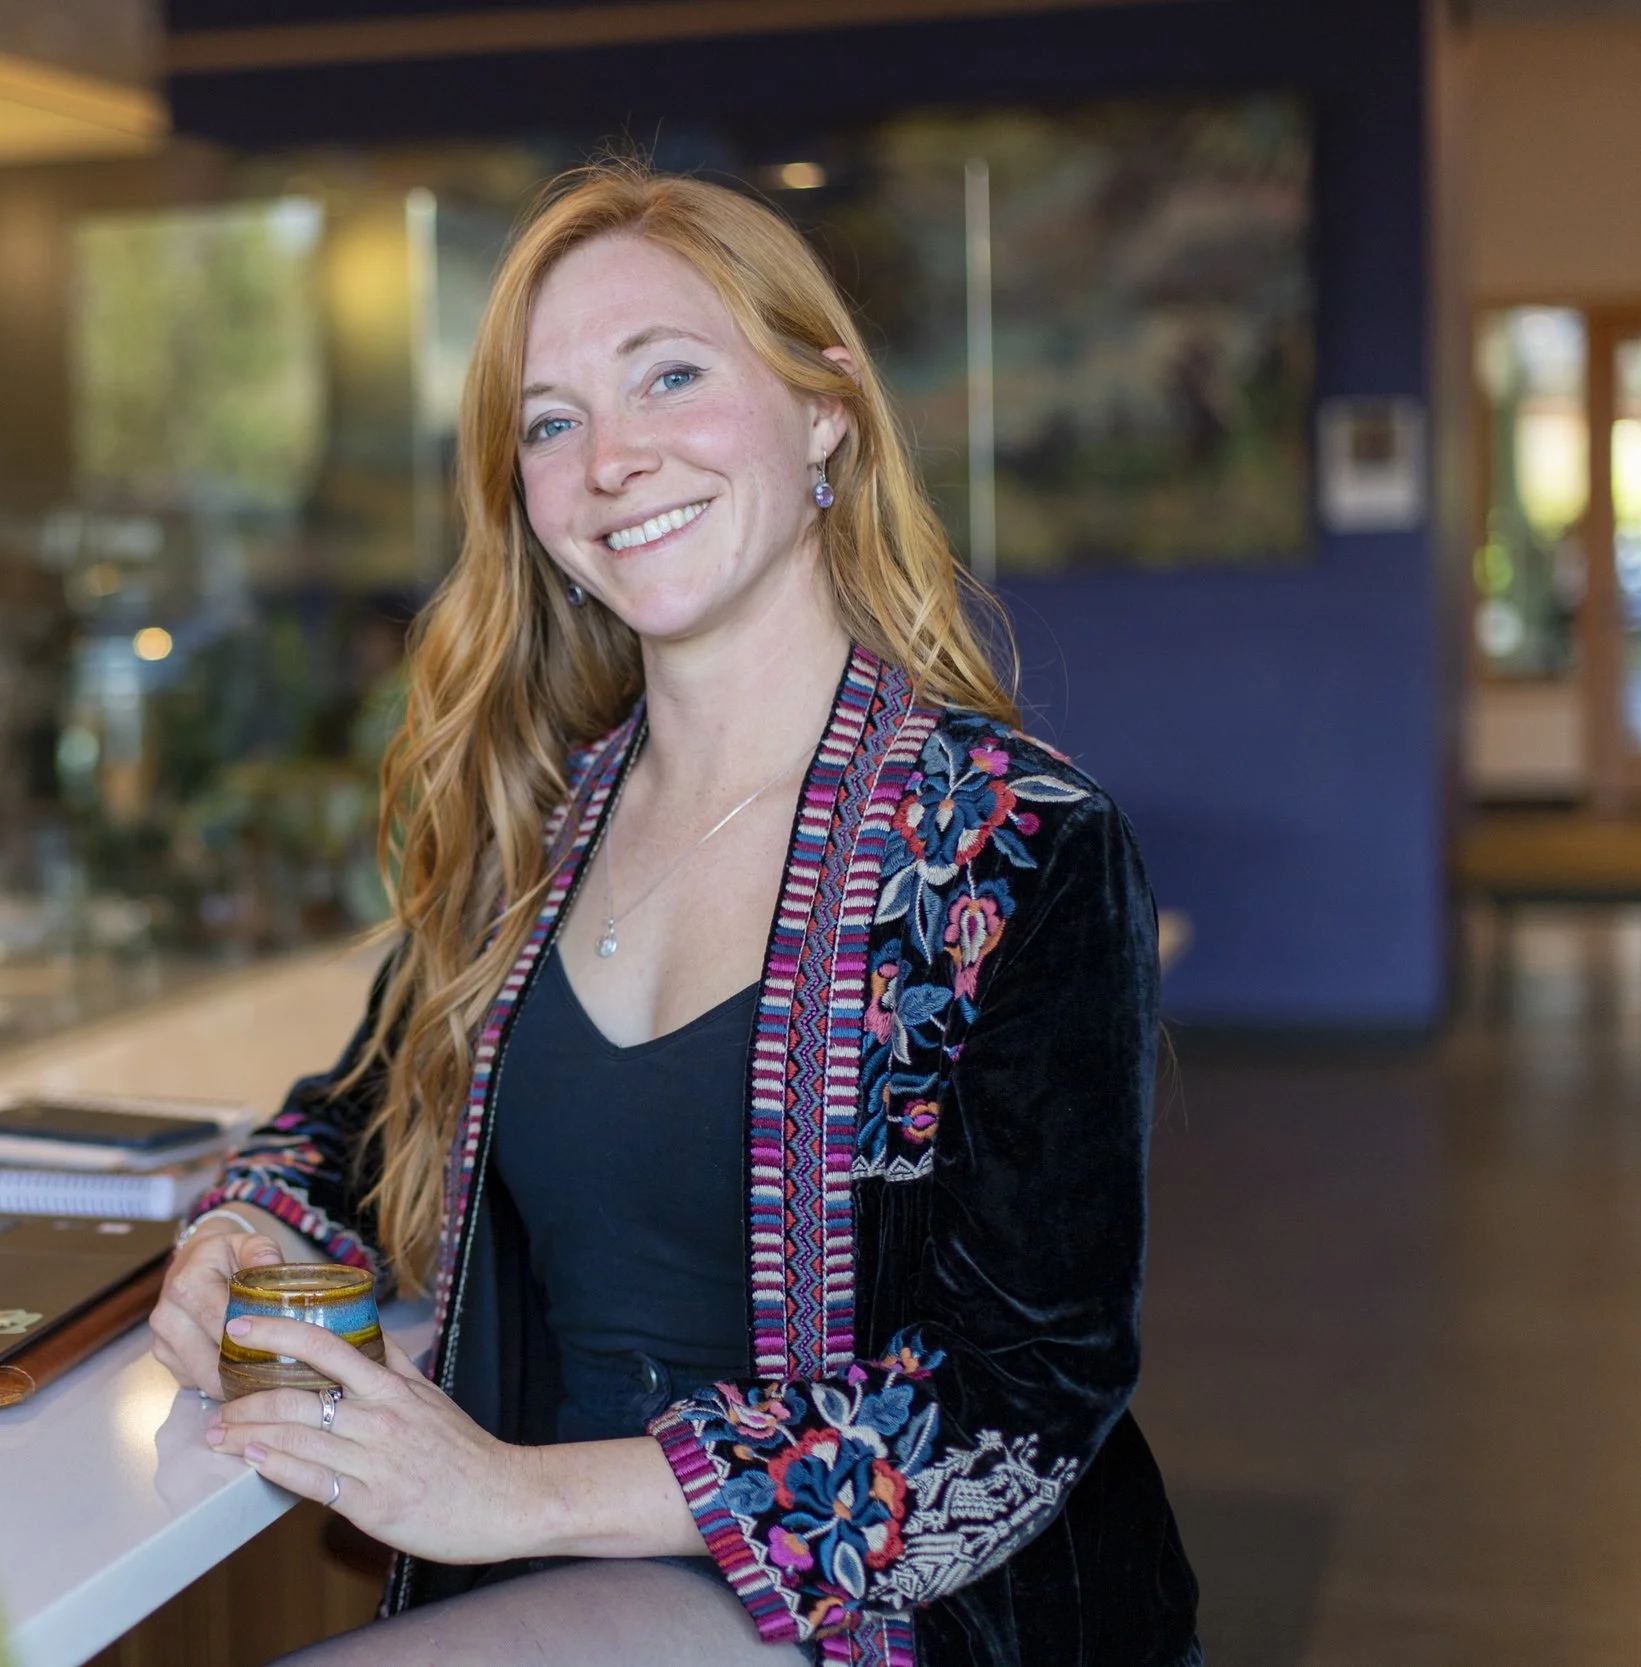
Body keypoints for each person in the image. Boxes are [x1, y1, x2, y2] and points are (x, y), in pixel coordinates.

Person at [148, 162, 1202, 1666]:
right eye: (552, 422)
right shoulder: (535, 827)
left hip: (902, 1626)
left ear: (824, 408)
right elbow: (357, 1122)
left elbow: (1018, 1406)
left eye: (671, 376)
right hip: (540, 1577)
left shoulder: (1017, 848)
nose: (612, 461)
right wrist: (243, 1228)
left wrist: (513, 1494)